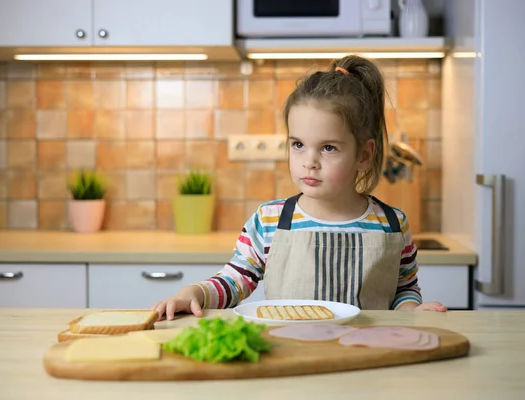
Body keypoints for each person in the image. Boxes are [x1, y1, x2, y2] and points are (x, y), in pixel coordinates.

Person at [152, 55, 447, 320]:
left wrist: (413, 309)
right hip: (291, 354)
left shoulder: (393, 224)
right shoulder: (269, 221)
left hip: (368, 359)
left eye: (328, 148)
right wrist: (195, 293)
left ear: (364, 155)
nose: (310, 162)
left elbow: (404, 291)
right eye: (298, 145)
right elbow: (235, 281)